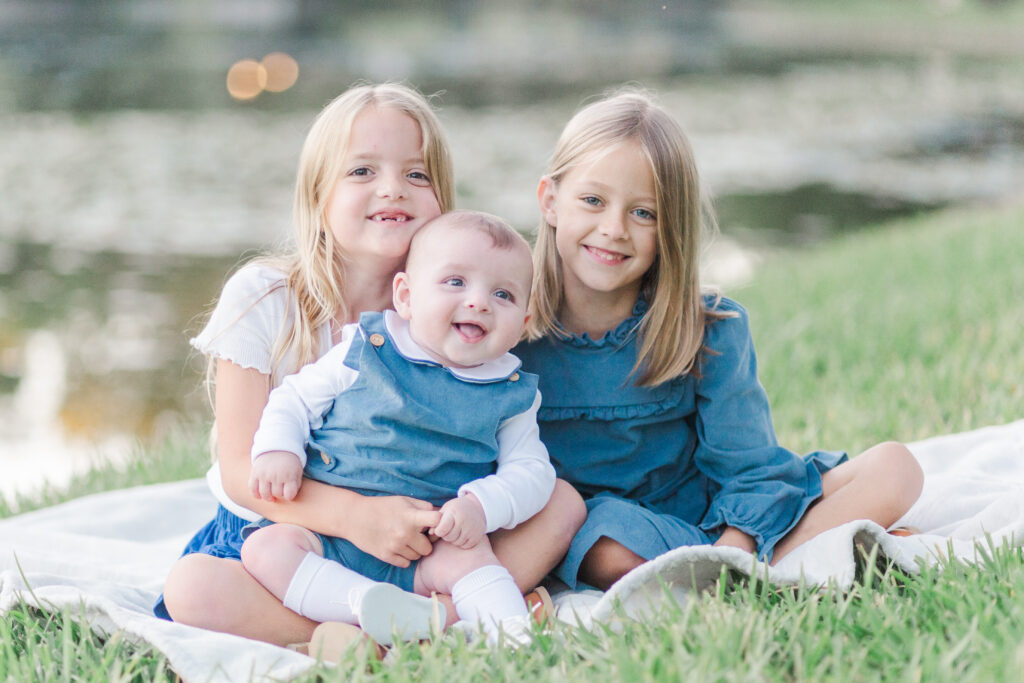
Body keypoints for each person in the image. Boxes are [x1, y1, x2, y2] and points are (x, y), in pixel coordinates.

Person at [159, 83, 586, 647]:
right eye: (362, 171)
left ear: (442, 200)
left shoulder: (458, 308)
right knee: (192, 588)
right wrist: (358, 519)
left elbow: (500, 431)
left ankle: (402, 624)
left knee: (562, 504)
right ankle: (426, 625)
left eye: (417, 174)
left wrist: (472, 511)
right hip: (292, 530)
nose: (392, 188)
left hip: (429, 537)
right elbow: (242, 472)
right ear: (318, 194)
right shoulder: (265, 297)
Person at [513, 88, 924, 591]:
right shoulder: (509, 328)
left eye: (644, 213)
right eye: (593, 201)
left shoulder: (708, 328)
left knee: (898, 469)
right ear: (550, 201)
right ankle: (786, 559)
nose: (614, 228)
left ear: (671, 227)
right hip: (611, 532)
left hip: (722, 513)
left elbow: (749, 466)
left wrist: (738, 540)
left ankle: (743, 569)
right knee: (608, 551)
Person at [240, 210, 552, 646]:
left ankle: (516, 640)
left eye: (503, 294)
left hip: (430, 545)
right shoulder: (367, 347)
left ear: (522, 324)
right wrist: (279, 450)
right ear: (405, 296)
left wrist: (481, 506)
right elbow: (294, 399)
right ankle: (367, 605)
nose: (479, 302)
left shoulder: (511, 392)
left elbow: (532, 472)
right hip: (330, 536)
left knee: (475, 562)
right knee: (266, 549)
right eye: (456, 282)